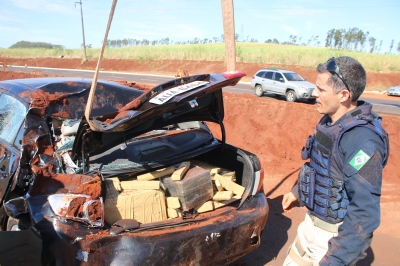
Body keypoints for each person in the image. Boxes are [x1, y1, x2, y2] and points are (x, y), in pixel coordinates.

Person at [282, 56, 390, 266]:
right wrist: (297, 192)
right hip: (310, 227)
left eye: (320, 89)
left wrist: (335, 260)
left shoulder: (363, 143)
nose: (314, 93)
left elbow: (365, 213)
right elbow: (321, 165)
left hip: (333, 240)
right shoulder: (329, 122)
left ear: (343, 95)